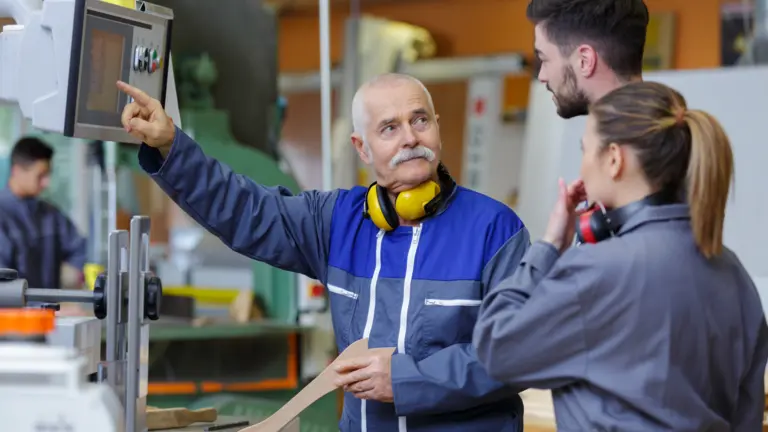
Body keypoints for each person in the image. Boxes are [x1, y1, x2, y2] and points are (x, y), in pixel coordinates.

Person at [116, 73, 531, 431]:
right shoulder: (337, 222)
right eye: (389, 128)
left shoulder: (495, 230)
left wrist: (407, 379)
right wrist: (172, 148)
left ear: (436, 127)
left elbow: (518, 352)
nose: (410, 138)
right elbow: (246, 211)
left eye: (419, 120)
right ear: (362, 147)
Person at [472, 81, 768, 431]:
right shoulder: (731, 270)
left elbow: (496, 347)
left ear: (614, 159)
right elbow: (748, 411)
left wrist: (550, 245)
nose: (582, 166)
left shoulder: (597, 269)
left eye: (585, 150)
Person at [528, 0, 649, 118]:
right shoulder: (660, 128)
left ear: (585, 61)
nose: (542, 76)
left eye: (544, 59)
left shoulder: (614, 137)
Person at [0, 137, 87, 289]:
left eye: (48, 175)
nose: (46, 183)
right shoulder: (3, 216)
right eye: (40, 176)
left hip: (49, 311)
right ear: (17, 171)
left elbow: (81, 248)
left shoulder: (51, 215)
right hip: (12, 312)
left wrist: (76, 275)